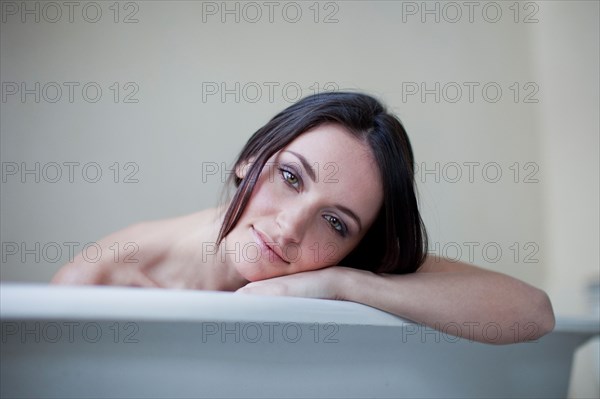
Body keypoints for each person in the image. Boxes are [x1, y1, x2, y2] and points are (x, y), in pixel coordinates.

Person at [52, 91, 555, 344]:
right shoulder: (99, 279)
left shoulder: (341, 267)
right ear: (249, 159)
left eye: (335, 223)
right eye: (291, 177)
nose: (292, 228)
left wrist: (345, 285)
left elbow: (533, 312)